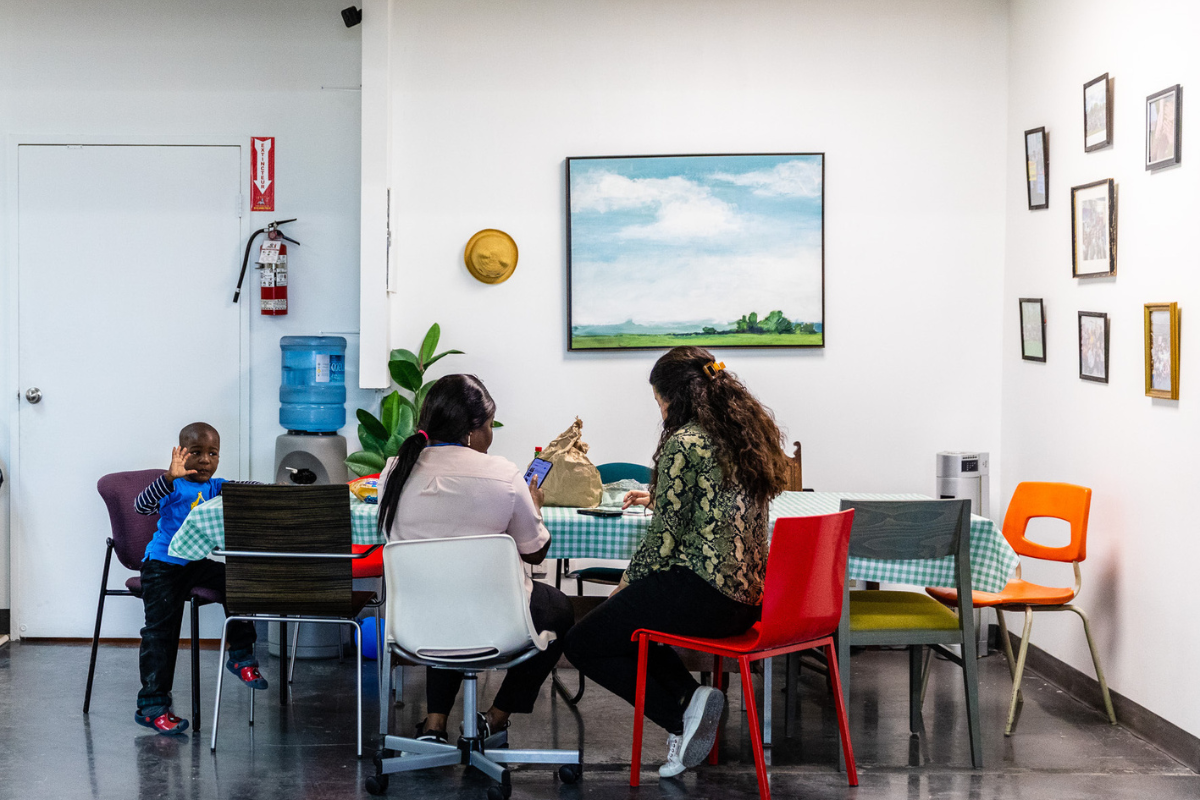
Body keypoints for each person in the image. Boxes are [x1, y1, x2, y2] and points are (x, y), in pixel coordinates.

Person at [563, 346, 790, 779]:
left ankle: (678, 713)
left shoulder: (685, 441)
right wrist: (661, 496)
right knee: (632, 626)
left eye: (659, 401)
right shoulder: (743, 437)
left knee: (584, 641)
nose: (661, 411)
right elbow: (717, 502)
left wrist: (624, 585)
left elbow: (662, 542)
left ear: (676, 397)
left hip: (702, 594)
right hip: (746, 600)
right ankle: (691, 701)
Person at [376, 374, 574, 743]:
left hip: (414, 624)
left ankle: (434, 726)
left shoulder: (394, 471)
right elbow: (535, 550)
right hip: (490, 622)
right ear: (472, 430)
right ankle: (495, 718)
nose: (491, 435)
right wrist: (534, 507)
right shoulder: (502, 474)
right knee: (559, 608)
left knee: (449, 600)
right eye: (489, 425)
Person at [132, 422, 267, 735]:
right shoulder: (174, 486)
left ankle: (241, 655)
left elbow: (243, 487)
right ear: (181, 454)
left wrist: (274, 489)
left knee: (236, 578)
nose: (206, 460)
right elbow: (141, 506)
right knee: (160, 633)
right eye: (196, 453)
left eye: (213, 453)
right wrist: (167, 478)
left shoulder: (214, 486)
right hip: (162, 565)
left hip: (193, 562)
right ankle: (152, 706)